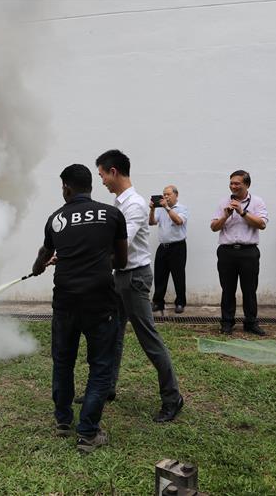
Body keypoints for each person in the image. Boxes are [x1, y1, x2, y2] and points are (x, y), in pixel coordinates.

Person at [31, 163, 128, 453]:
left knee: (63, 362)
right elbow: (121, 261)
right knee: (100, 366)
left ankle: (63, 421)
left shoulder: (56, 218)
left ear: (67, 188)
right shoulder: (112, 215)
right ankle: (88, 433)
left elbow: (45, 253)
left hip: (66, 302)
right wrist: (96, 260)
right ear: (90, 186)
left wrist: (38, 267)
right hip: (100, 303)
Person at [93, 149, 183, 423]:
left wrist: (86, 258)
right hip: (121, 276)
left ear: (113, 172)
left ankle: (173, 398)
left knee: (149, 339)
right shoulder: (120, 203)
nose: (102, 181)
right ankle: (107, 388)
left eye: (102, 175)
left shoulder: (134, 205)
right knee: (112, 334)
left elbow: (122, 245)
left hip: (134, 278)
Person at [210, 170, 269, 335]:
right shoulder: (223, 202)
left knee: (249, 289)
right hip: (226, 251)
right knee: (227, 289)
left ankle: (251, 322)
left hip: (248, 252)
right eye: (231, 183)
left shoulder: (257, 202)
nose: (233, 186)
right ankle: (227, 322)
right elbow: (213, 227)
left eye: (237, 183)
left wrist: (242, 212)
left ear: (247, 184)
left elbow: (262, 224)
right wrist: (225, 216)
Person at [149, 185, 189, 314]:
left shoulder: (182, 208)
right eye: (164, 194)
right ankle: (158, 302)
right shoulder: (160, 209)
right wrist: (152, 210)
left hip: (178, 247)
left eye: (168, 194)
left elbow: (178, 221)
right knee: (160, 275)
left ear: (176, 195)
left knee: (178, 276)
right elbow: (152, 222)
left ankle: (180, 303)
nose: (165, 196)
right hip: (163, 247)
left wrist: (167, 208)